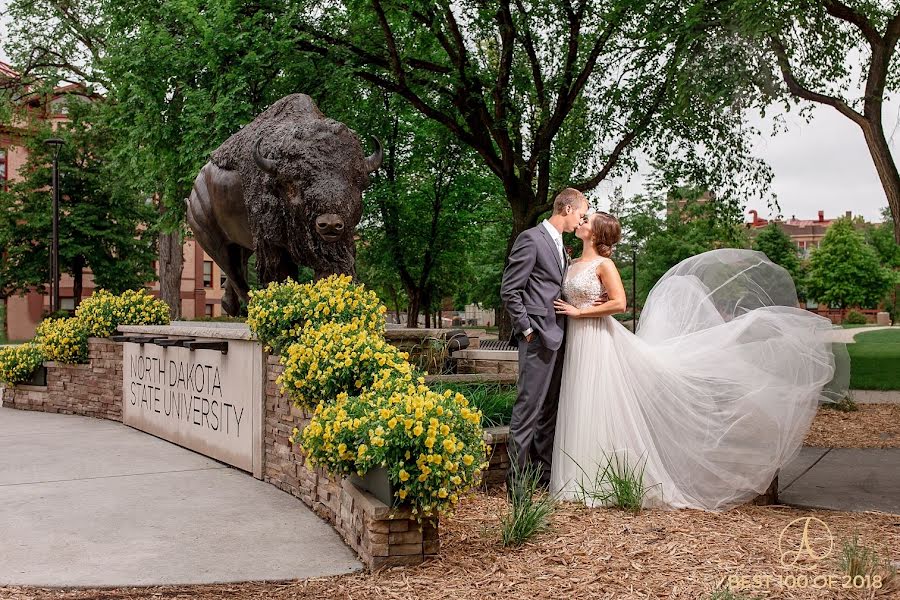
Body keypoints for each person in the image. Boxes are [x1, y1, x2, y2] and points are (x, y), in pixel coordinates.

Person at [549, 212, 847, 511]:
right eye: (584, 218)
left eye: (588, 220)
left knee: (598, 403)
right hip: (577, 340)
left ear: (596, 233)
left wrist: (580, 313)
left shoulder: (605, 265)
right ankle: (576, 478)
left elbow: (620, 303)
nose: (582, 221)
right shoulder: (573, 263)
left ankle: (601, 482)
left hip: (597, 338)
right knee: (579, 400)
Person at [499, 188, 588, 493]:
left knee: (549, 410)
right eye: (581, 214)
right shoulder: (531, 239)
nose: (581, 221)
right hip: (537, 337)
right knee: (528, 409)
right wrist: (526, 329)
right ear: (566, 209)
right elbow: (510, 290)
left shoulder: (561, 245)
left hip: (559, 336)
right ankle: (517, 483)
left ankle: (542, 476)